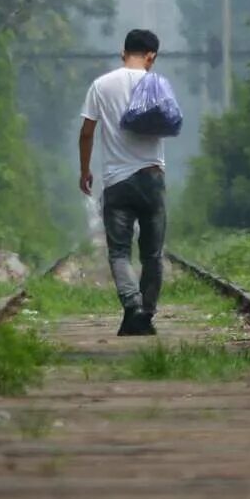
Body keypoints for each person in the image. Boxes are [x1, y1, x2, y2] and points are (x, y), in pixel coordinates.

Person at [79, 29, 169, 337]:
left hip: (117, 181)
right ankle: (147, 313)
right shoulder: (156, 84)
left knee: (119, 252)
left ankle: (132, 306)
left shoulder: (101, 85)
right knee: (153, 254)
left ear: (123, 53)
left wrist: (85, 170)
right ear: (151, 56)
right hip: (152, 176)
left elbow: (87, 132)